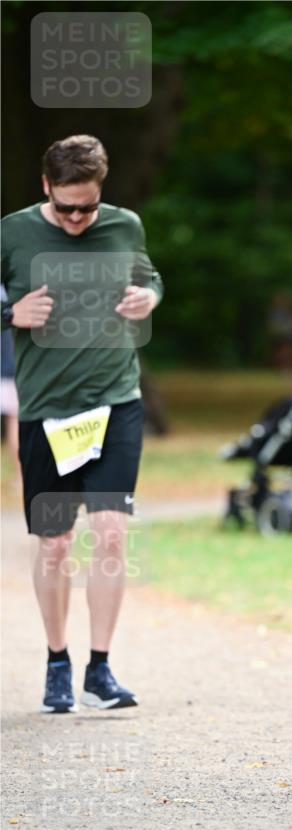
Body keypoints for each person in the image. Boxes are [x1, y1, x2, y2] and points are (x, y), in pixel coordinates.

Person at [1, 134, 163, 713]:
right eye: (66, 206)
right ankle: (56, 662)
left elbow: (150, 277)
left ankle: (100, 667)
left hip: (116, 401)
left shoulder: (125, 226)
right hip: (48, 409)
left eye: (87, 207)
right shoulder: (13, 233)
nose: (76, 218)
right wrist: (9, 313)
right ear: (45, 186)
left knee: (112, 533)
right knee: (54, 543)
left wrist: (148, 296)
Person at [1, 283, 21, 486]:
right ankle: (20, 475)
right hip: (13, 370)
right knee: (13, 424)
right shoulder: (13, 294)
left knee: (13, 425)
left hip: (6, 370)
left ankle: (19, 476)